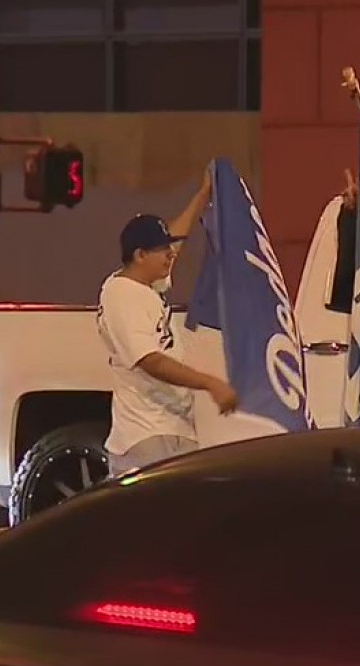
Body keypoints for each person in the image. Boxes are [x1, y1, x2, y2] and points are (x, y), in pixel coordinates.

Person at [98, 169, 238, 478]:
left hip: (173, 429)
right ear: (140, 255)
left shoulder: (147, 285)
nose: (170, 255)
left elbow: (178, 237)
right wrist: (210, 383)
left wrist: (203, 194)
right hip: (145, 435)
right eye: (162, 250)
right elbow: (152, 361)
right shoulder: (121, 294)